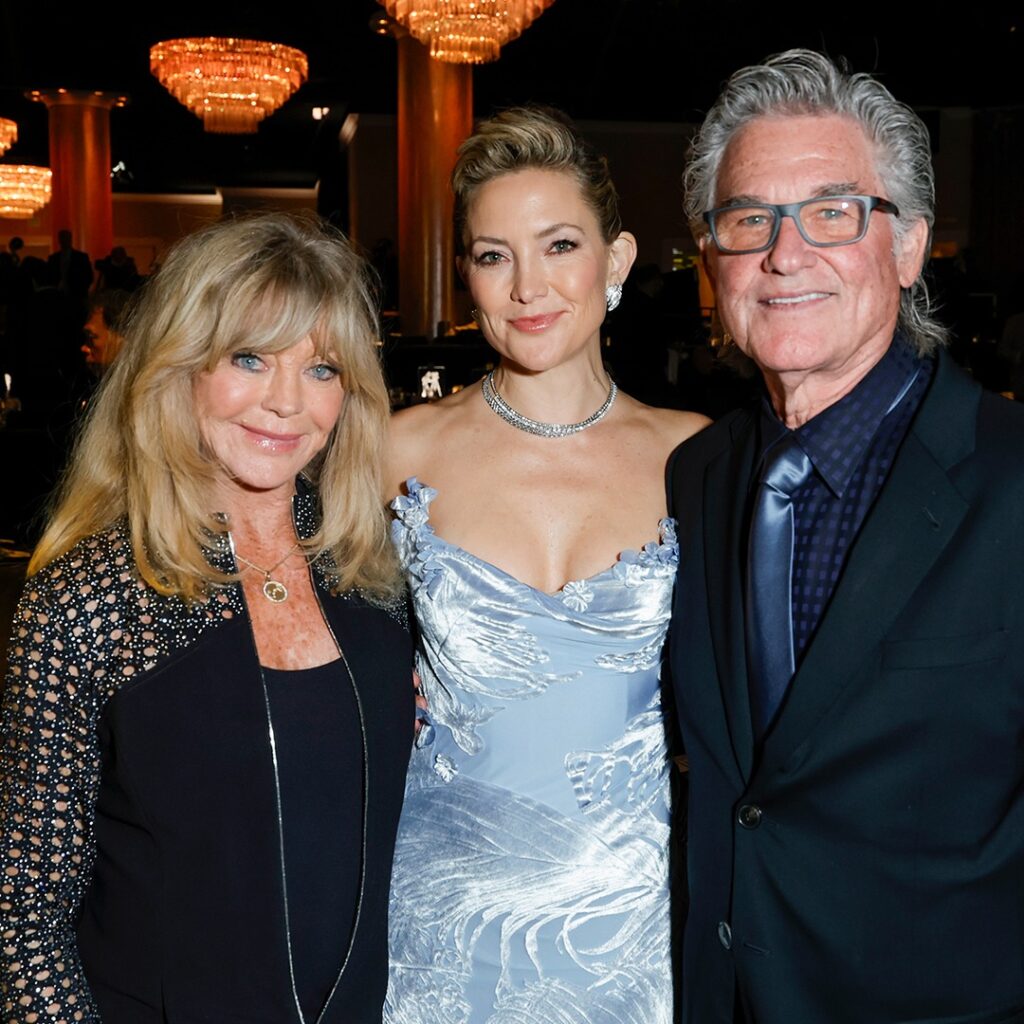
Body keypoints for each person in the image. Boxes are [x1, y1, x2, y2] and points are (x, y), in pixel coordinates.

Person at [668, 49, 1024, 1024]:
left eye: (832, 213)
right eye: (749, 220)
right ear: (712, 262)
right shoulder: (695, 478)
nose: (784, 255)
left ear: (908, 248)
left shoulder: (1011, 481)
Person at [1, 213, 413, 1023]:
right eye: (249, 358)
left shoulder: (371, 577)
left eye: (321, 368)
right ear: (180, 366)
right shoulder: (90, 600)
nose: (286, 403)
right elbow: (25, 919)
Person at [384, 106, 708, 1024]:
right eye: (494, 256)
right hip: (441, 922)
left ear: (617, 259)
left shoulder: (695, 457)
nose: (527, 286)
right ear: (468, 276)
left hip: (630, 925)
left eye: (559, 245)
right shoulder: (394, 450)